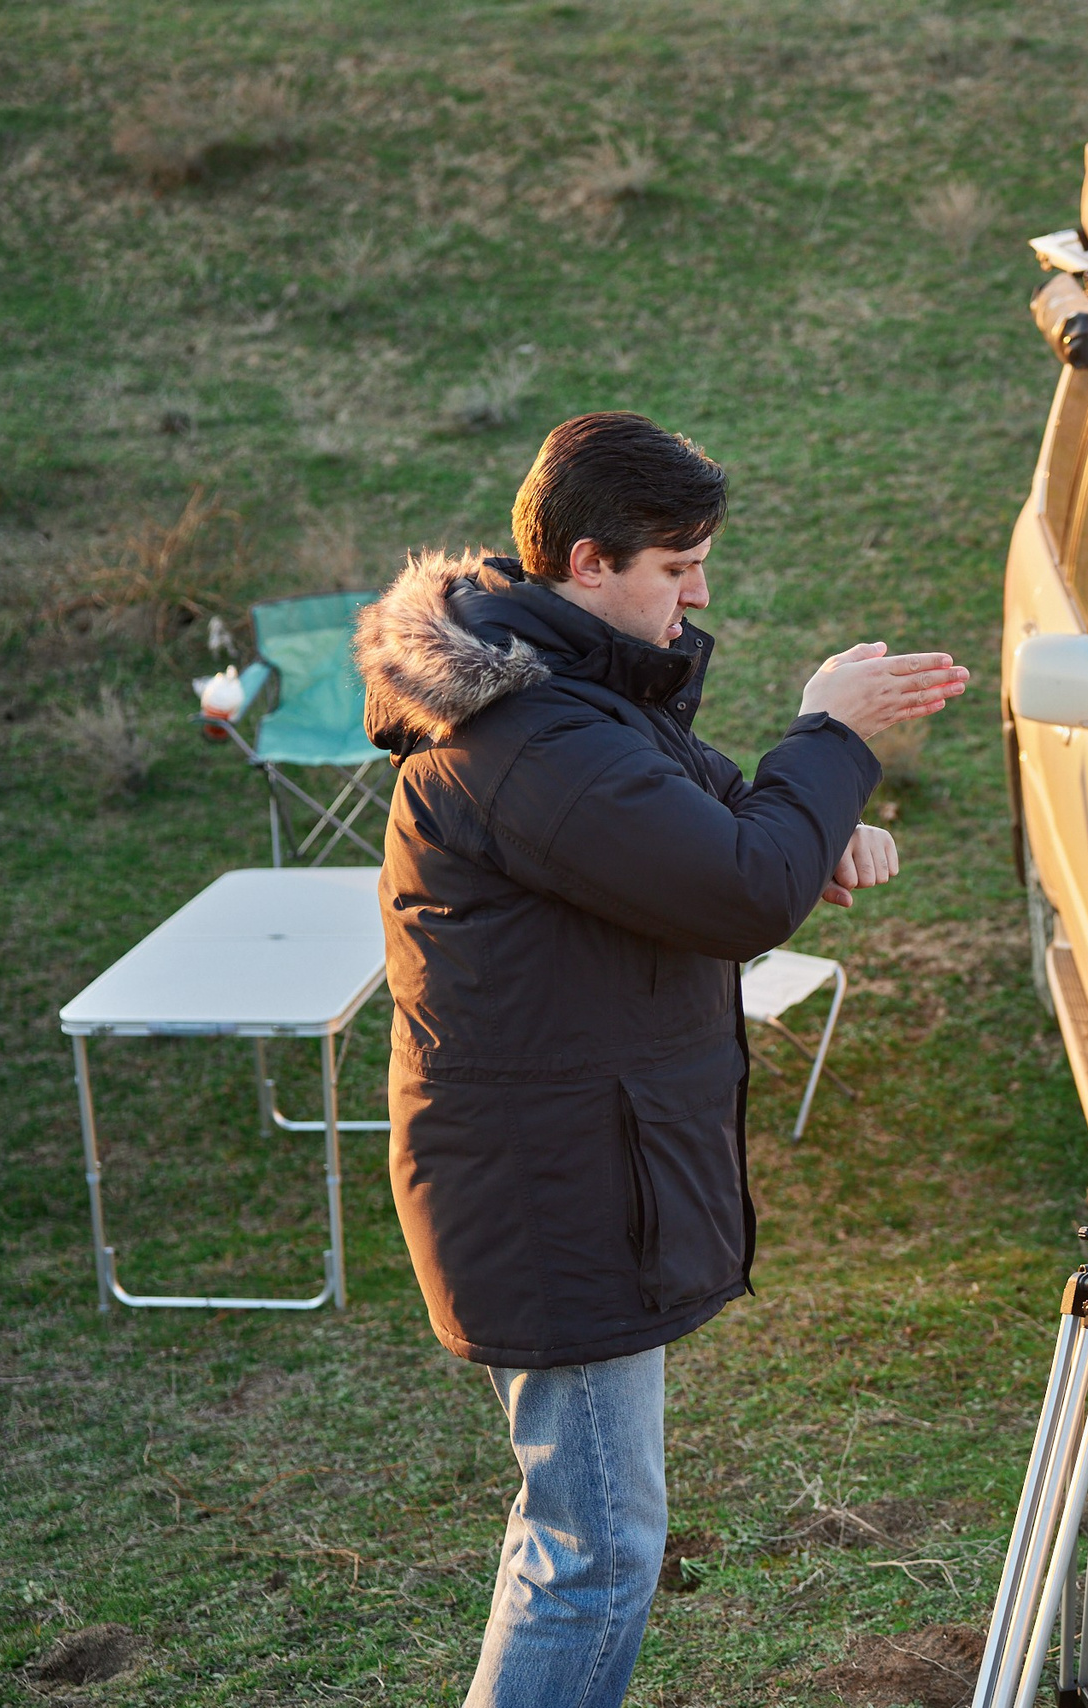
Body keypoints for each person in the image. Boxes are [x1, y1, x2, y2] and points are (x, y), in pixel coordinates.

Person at [353, 411, 969, 1708]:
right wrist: (834, 738)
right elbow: (736, 885)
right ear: (588, 564)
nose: (698, 598)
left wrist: (812, 830)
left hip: (576, 1177)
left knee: (579, 1537)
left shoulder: (565, 700)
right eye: (676, 571)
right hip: (557, 1195)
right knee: (597, 1553)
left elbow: (708, 835)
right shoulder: (528, 737)